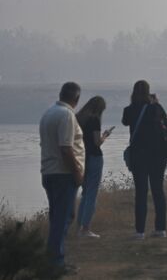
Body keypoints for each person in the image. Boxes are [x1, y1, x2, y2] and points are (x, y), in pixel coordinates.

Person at [39, 82, 84, 271]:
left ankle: (52, 258)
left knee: (59, 216)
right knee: (63, 217)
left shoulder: (49, 112)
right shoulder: (67, 115)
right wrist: (77, 173)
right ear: (76, 99)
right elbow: (66, 149)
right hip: (63, 173)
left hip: (50, 171)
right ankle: (55, 262)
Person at [122, 80, 167, 239]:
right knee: (158, 191)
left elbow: (125, 121)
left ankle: (139, 231)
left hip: (138, 156)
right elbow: (165, 118)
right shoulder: (155, 108)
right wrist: (155, 102)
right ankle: (161, 229)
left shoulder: (129, 110)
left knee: (141, 193)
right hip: (157, 156)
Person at [75, 96, 111, 238]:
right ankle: (85, 229)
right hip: (94, 157)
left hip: (82, 157)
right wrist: (105, 136)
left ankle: (79, 226)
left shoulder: (78, 118)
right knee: (91, 193)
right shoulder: (94, 120)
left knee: (84, 193)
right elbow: (97, 143)